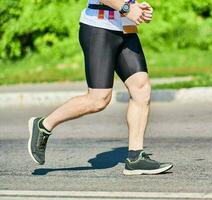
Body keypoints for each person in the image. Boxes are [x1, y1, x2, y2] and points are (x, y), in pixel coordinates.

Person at [27, 0, 173, 175]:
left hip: (125, 28)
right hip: (99, 28)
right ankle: (43, 125)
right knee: (99, 99)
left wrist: (137, 8)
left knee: (141, 87)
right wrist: (127, 8)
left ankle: (136, 158)